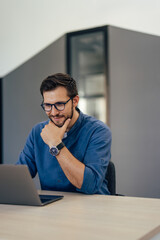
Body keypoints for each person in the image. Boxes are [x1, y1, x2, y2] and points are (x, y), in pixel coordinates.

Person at [17, 73, 112, 194]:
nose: (54, 112)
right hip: (53, 208)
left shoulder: (98, 131)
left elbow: (90, 185)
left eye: (59, 104)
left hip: (91, 207)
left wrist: (56, 143)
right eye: (47, 105)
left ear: (75, 101)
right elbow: (19, 176)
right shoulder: (38, 131)